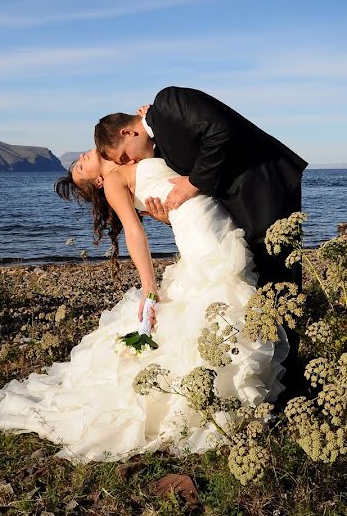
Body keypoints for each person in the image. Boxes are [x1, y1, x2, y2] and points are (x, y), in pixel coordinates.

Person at [0, 149, 288, 463]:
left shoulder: (130, 157)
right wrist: (149, 287)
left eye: (79, 160)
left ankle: (226, 389)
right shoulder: (114, 181)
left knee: (219, 295)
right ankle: (216, 395)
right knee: (218, 296)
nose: (81, 156)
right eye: (80, 166)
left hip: (205, 219)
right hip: (201, 234)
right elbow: (134, 232)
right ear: (99, 180)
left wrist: (146, 122)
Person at [94, 86, 308, 401]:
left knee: (279, 277)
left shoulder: (168, 101)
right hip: (236, 206)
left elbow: (222, 131)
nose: (128, 162)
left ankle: (287, 379)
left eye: (124, 155)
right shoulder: (159, 143)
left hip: (264, 185)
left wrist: (191, 185)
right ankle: (276, 377)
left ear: (128, 131)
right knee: (260, 282)